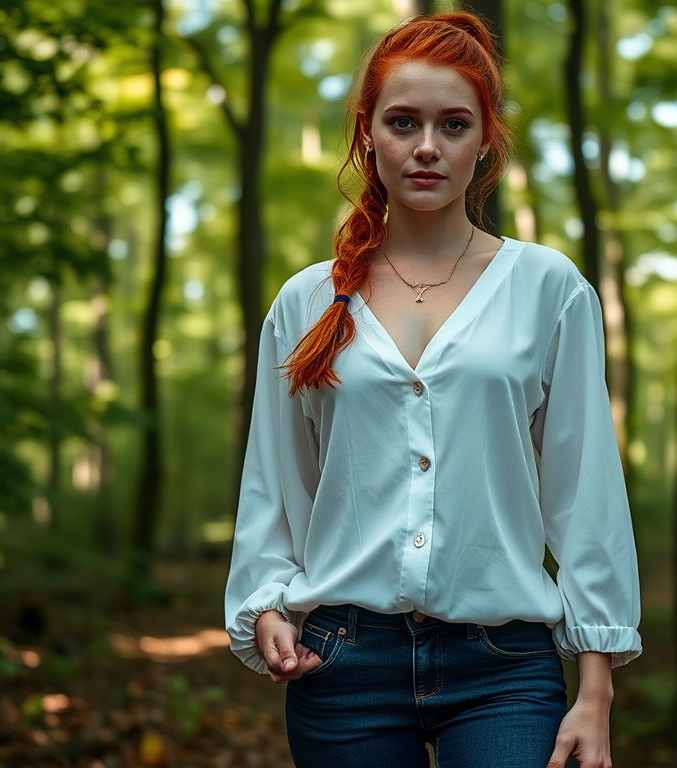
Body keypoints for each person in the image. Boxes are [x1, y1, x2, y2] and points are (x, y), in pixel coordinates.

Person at [225, 12, 641, 768]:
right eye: (403, 121)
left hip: (506, 668)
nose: (426, 147)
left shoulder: (549, 288)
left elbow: (584, 495)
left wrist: (595, 689)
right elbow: (276, 480)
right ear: (368, 133)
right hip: (339, 663)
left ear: (486, 139)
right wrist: (265, 604)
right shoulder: (307, 301)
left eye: (453, 124)